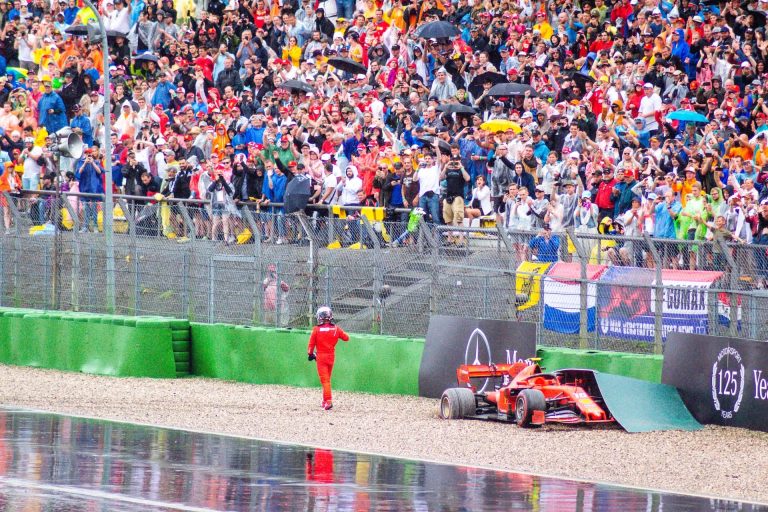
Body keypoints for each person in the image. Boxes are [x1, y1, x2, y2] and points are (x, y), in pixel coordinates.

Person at [307, 306, 349, 411]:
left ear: (320, 317)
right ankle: (324, 400)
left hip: (321, 357)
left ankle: (328, 401)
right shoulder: (336, 328)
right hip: (331, 357)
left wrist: (310, 354)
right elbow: (346, 338)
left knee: (325, 380)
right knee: (327, 380)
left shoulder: (316, 329)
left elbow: (311, 345)